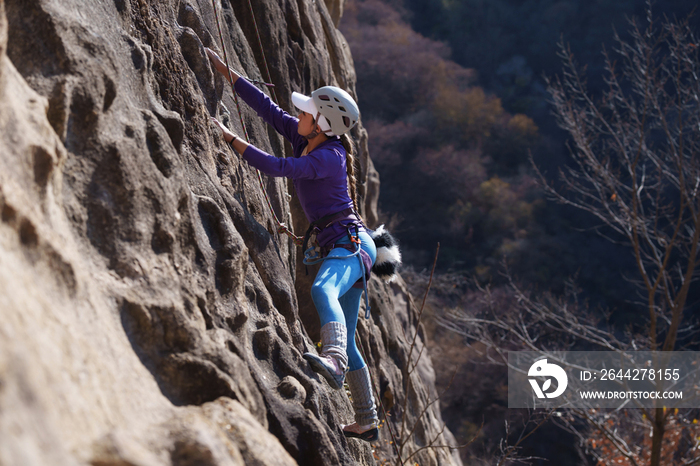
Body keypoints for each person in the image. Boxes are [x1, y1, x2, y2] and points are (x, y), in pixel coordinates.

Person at [206, 48, 379, 442]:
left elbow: (279, 168)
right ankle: (367, 420)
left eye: (306, 113)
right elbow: (266, 109)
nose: (298, 116)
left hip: (352, 245)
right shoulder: (308, 140)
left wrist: (229, 139)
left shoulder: (329, 157)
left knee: (323, 290)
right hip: (346, 245)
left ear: (320, 124)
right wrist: (227, 72)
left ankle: (333, 362)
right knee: (349, 339)